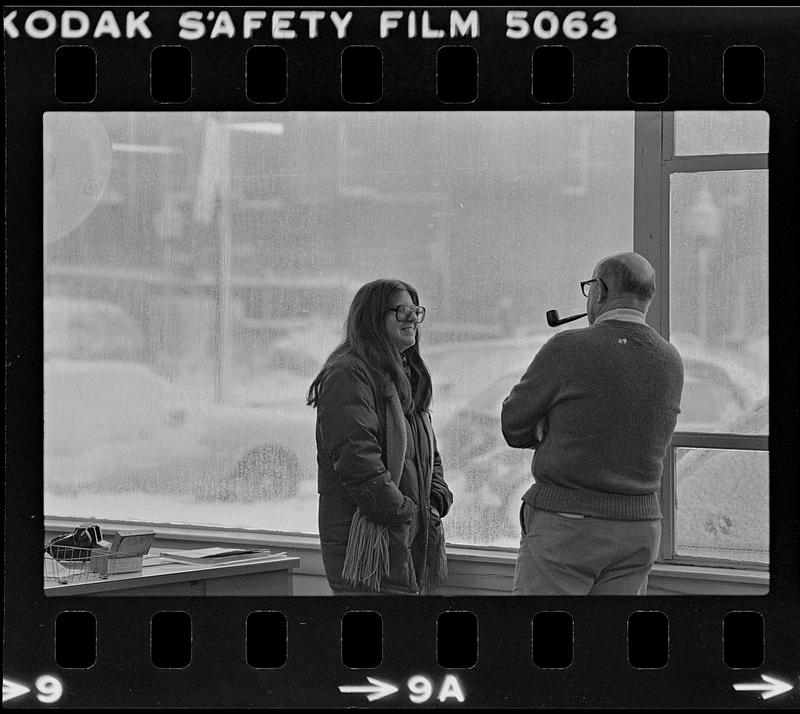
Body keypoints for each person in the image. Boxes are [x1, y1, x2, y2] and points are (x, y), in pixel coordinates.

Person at [501, 253, 684, 595]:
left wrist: (547, 422)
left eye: (589, 288)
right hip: (640, 529)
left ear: (600, 291)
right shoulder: (669, 359)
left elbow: (513, 423)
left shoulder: (569, 348)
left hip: (569, 525)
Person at [307, 279, 453, 595]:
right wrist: (403, 512)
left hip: (404, 535)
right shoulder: (349, 373)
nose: (413, 318)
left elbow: (428, 454)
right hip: (369, 545)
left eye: (416, 311)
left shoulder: (405, 373)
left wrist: (435, 501)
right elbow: (357, 459)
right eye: (402, 311)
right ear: (372, 317)